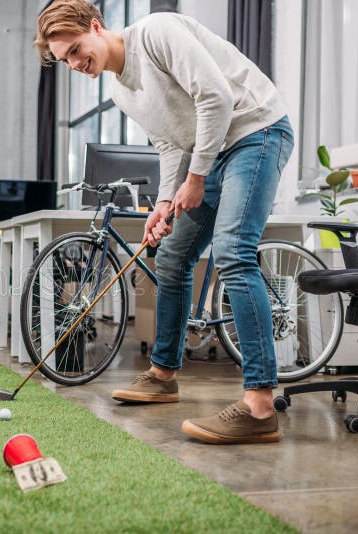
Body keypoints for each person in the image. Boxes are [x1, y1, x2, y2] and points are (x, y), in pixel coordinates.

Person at [35, 2, 294, 444]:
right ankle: (162, 375)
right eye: (66, 61)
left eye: (77, 49)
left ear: (96, 26)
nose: (77, 64)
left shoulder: (156, 32)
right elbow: (171, 144)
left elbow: (216, 96)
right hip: (208, 154)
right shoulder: (119, 90)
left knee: (232, 252)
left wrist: (195, 180)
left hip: (256, 132)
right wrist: (166, 200)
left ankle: (260, 405)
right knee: (171, 258)